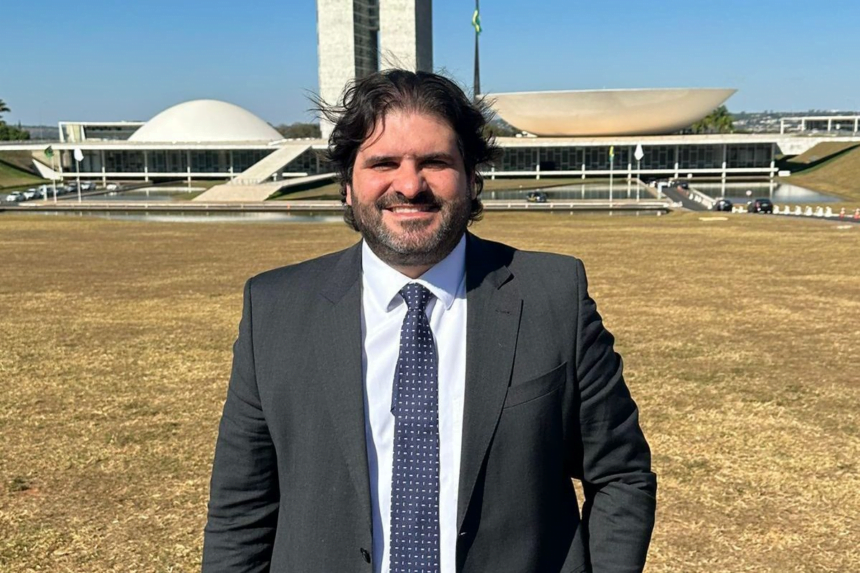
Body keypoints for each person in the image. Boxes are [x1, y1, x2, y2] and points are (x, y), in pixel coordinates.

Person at [202, 69, 656, 573]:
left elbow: (621, 475)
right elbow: (241, 512)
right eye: (383, 163)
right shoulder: (275, 309)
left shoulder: (553, 296)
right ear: (348, 186)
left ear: (472, 178)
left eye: (434, 162)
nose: (409, 185)